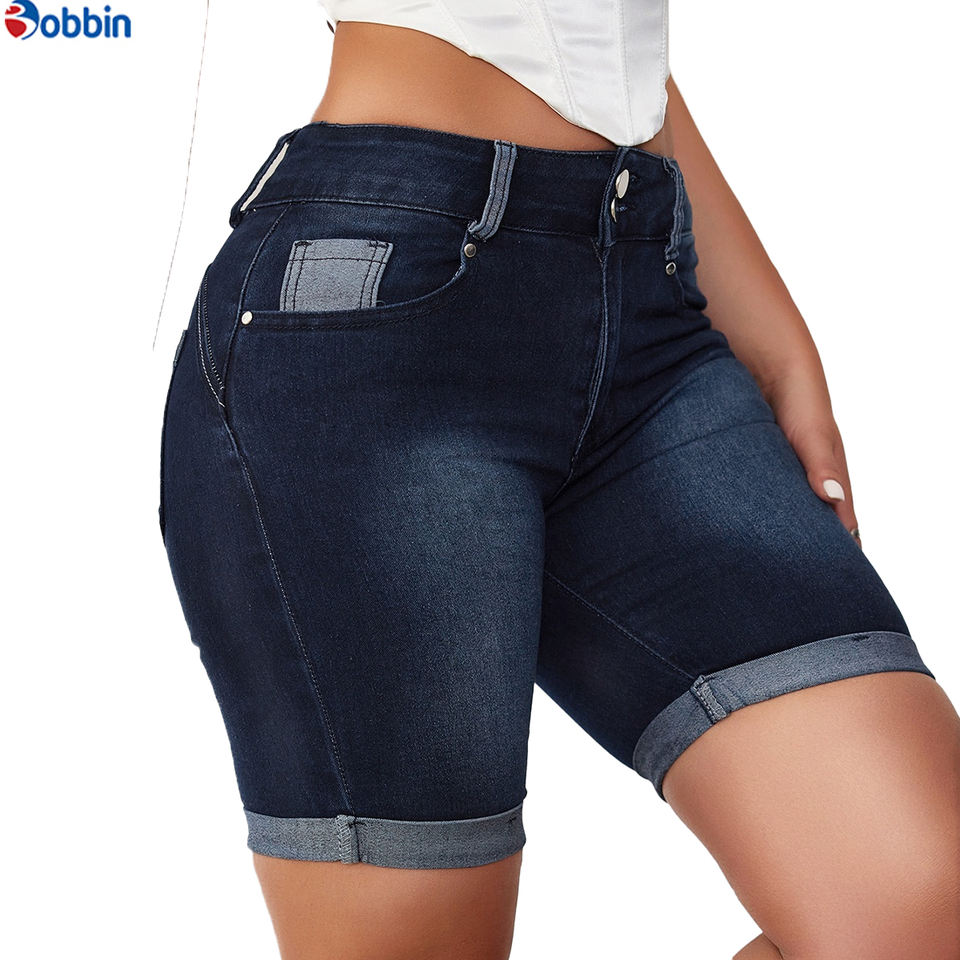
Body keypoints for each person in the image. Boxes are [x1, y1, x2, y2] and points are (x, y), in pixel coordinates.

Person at [158, 11, 960, 960]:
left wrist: (780, 344)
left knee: (920, 910)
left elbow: (612, 57)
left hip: (646, 305)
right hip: (376, 315)